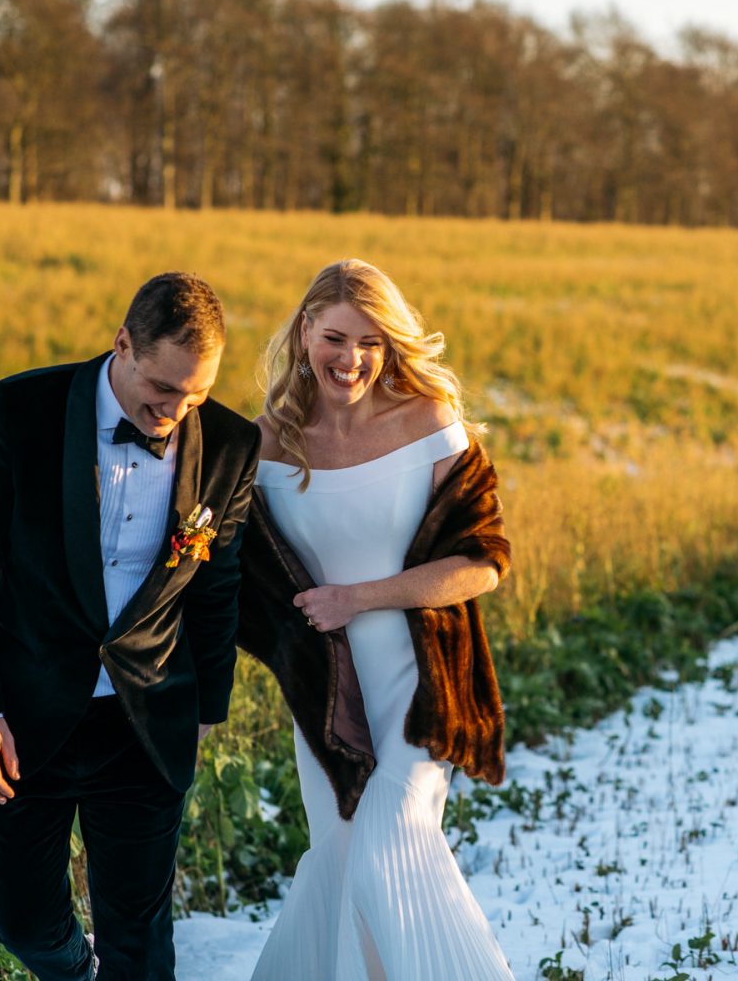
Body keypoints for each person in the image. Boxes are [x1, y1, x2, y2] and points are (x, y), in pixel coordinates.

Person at [0, 272, 261, 980]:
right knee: (19, 920)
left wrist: (207, 707)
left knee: (140, 941)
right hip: (21, 716)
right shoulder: (19, 409)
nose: (176, 410)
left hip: (146, 720)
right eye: (164, 387)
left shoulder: (232, 446)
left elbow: (217, 584)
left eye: (197, 394)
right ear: (122, 343)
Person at [237, 259, 515, 979]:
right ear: (304, 333)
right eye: (334, 338)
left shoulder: (428, 423)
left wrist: (356, 598)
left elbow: (482, 561)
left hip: (420, 690)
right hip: (325, 696)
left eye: (370, 342)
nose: (350, 359)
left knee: (391, 845)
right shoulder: (266, 444)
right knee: (339, 857)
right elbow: (234, 577)